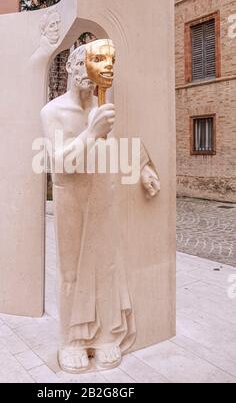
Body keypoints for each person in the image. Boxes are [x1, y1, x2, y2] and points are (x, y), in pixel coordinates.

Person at [41, 40, 160, 373]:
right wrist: (91, 132)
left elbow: (123, 146)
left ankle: (105, 334)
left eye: (110, 61)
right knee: (72, 270)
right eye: (96, 59)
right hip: (72, 198)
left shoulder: (103, 109)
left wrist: (143, 169)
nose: (106, 66)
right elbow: (58, 164)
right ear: (75, 66)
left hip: (104, 195)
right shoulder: (52, 112)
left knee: (106, 266)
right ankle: (72, 341)